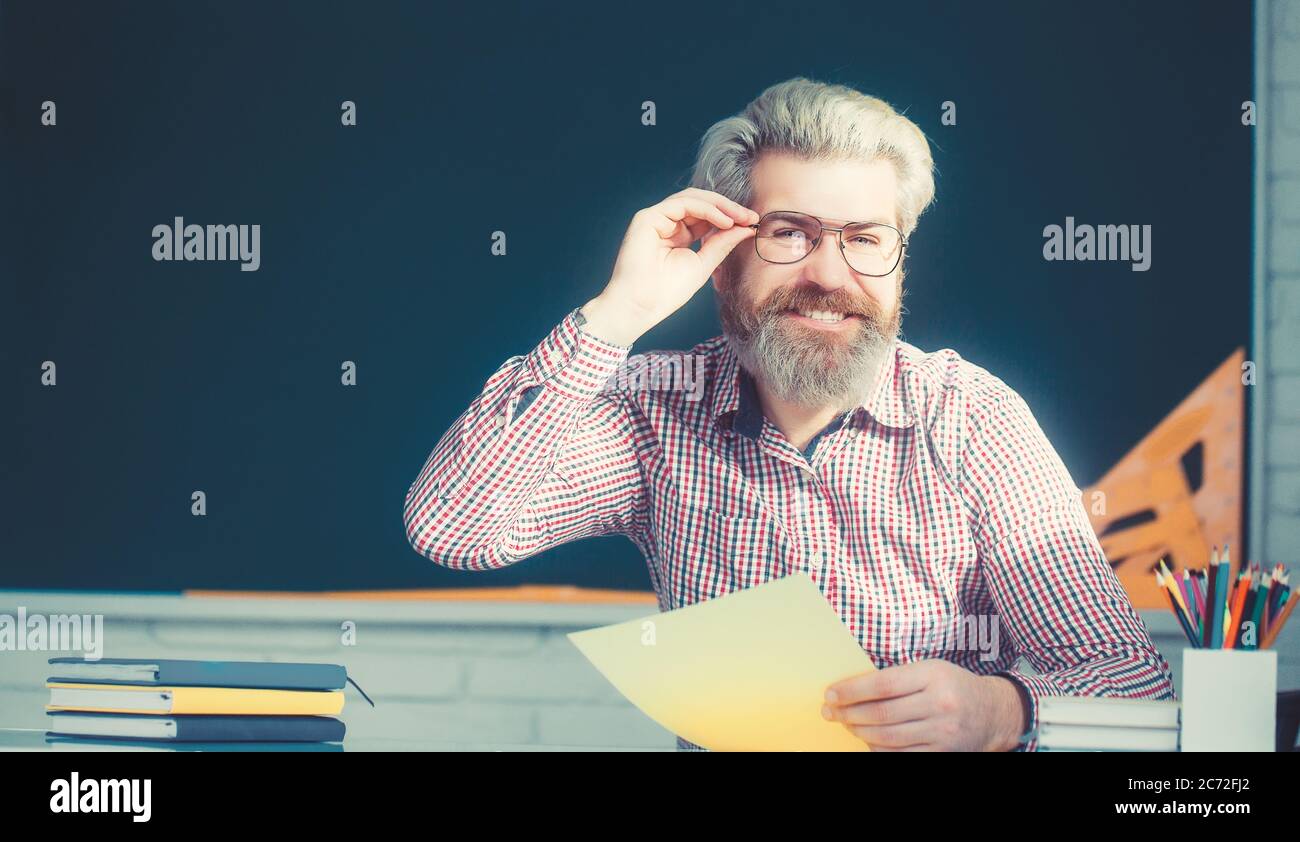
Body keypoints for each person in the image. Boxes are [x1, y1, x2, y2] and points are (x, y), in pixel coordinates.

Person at [404, 77, 1176, 751]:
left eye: (866, 239)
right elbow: (454, 530)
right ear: (723, 256)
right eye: (790, 234)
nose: (829, 274)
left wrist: (1002, 710)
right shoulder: (654, 413)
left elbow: (1133, 682)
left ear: (900, 259)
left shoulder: (973, 418)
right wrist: (618, 313)